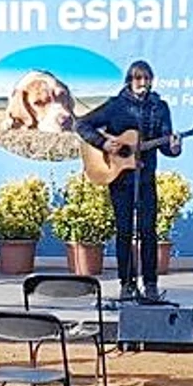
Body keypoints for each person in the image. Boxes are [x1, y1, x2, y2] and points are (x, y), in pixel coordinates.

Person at [75, 60, 180, 305]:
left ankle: (151, 284)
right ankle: (127, 284)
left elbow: (166, 147)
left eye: (147, 79)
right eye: (138, 79)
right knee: (124, 232)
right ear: (129, 81)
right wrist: (103, 143)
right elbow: (81, 125)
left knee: (148, 232)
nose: (143, 84)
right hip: (120, 179)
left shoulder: (160, 107)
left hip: (145, 178)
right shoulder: (115, 106)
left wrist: (174, 147)